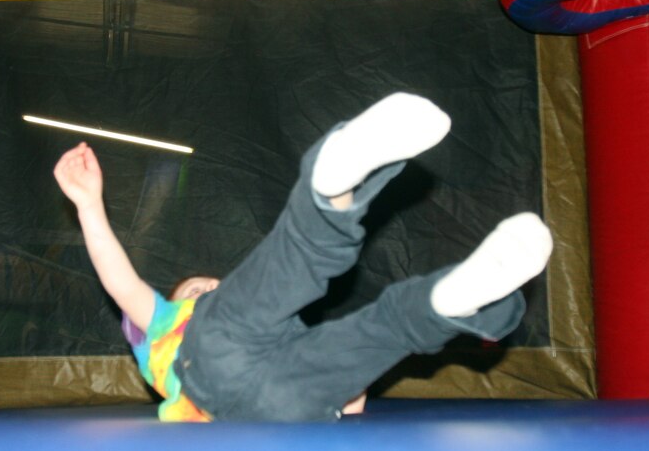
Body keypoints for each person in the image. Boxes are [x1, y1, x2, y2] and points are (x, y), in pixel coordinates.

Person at [53, 92, 553, 422]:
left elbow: (342, 374)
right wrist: (89, 205)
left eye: (212, 284)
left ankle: (447, 302)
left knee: (374, 331)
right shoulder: (166, 323)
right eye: (196, 291)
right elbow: (121, 282)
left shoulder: (255, 307)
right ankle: (328, 197)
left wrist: (346, 388)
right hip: (207, 375)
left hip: (285, 401)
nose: (209, 288)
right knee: (284, 271)